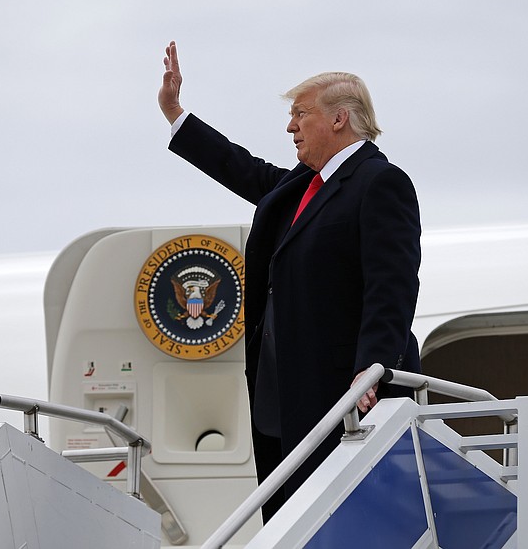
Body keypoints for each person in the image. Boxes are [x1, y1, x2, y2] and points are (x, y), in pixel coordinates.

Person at [158, 41, 422, 521]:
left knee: (340, 521)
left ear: (340, 118)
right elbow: (245, 171)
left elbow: (393, 285)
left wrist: (374, 366)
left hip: (340, 394)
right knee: (288, 521)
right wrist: (176, 115)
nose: (290, 126)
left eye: (301, 114)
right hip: (281, 395)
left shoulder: (380, 182)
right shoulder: (301, 183)